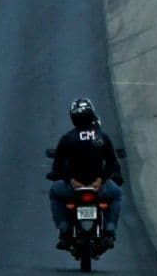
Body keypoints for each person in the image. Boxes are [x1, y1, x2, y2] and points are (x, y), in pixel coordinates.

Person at [45, 98, 124, 250]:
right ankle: (110, 229)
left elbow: (58, 166)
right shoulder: (102, 137)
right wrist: (100, 180)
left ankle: (64, 228)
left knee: (54, 192)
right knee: (117, 194)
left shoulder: (67, 139)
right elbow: (112, 163)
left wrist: (72, 181)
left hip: (74, 187)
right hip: (98, 187)